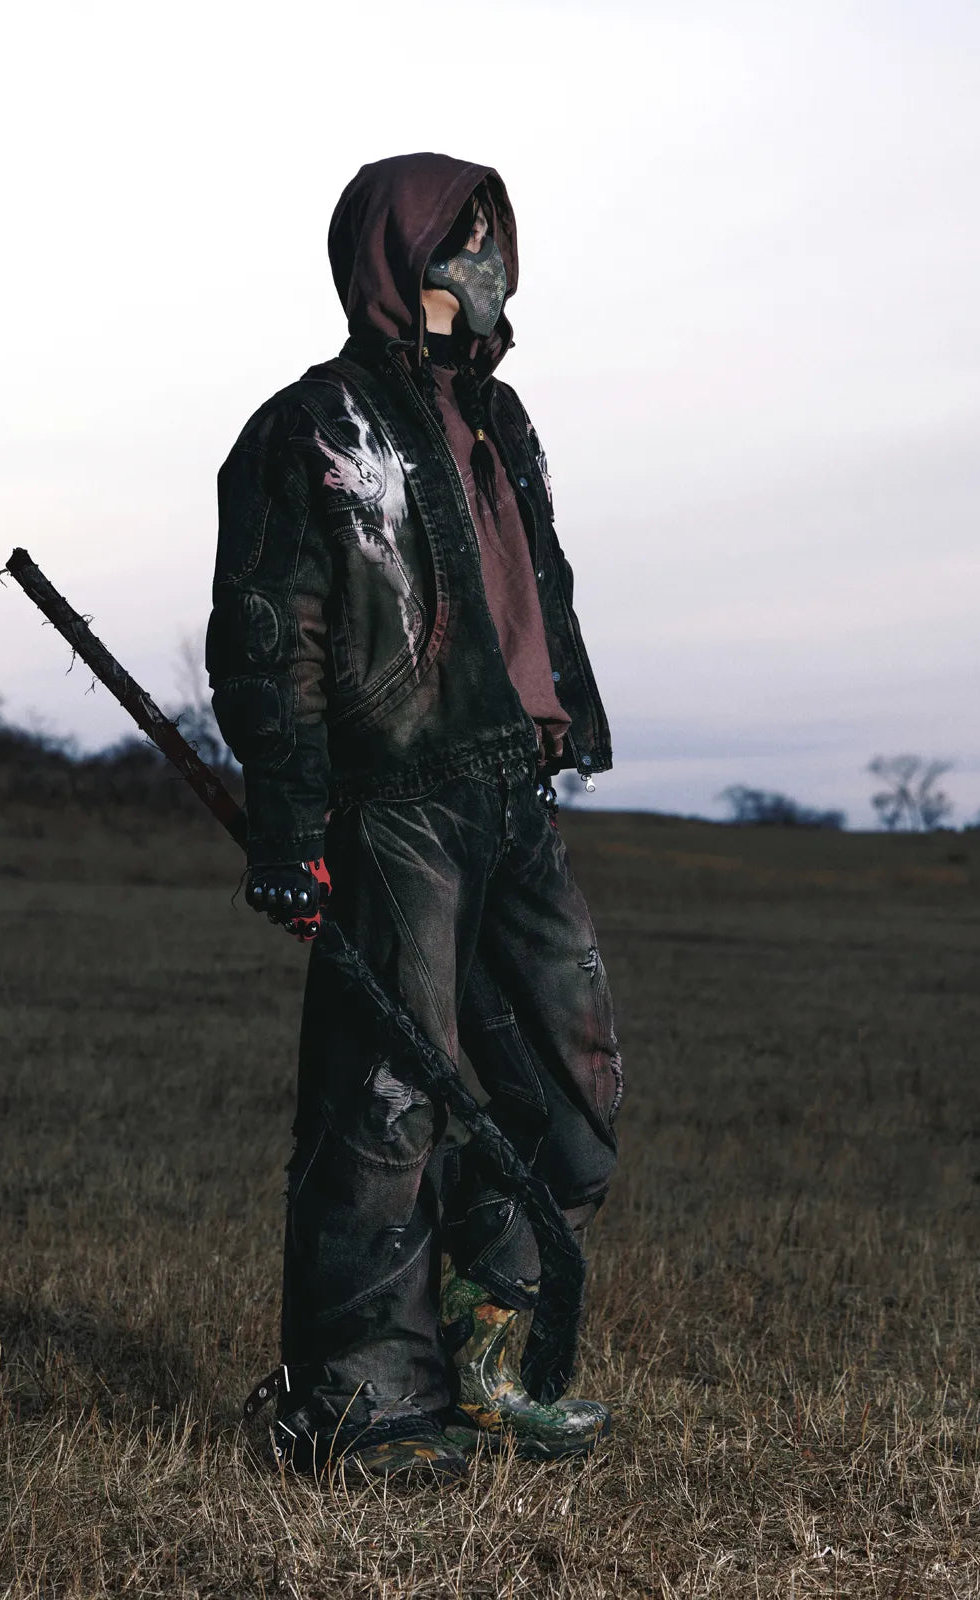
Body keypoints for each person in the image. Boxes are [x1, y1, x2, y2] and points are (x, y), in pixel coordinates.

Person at [206, 152, 622, 1484]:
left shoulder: (505, 418)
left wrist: (568, 719)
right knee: (388, 1102)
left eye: (497, 234)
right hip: (393, 804)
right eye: (465, 233)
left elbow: (538, 591)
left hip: (514, 790)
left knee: (570, 1087)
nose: (490, 259)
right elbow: (270, 637)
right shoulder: (311, 424)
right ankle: (362, 1408)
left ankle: (487, 1364)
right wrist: (290, 830)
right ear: (403, 252)